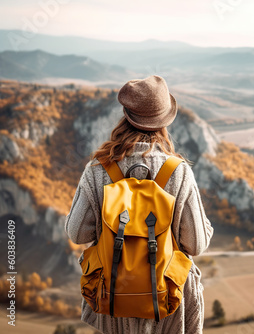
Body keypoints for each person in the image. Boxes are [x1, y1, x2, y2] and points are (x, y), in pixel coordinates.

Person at [65, 75, 214, 333]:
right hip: (168, 301)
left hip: (113, 298)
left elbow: (76, 233)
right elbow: (196, 244)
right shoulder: (177, 171)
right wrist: (205, 225)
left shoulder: (98, 170)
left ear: (126, 115)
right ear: (165, 120)